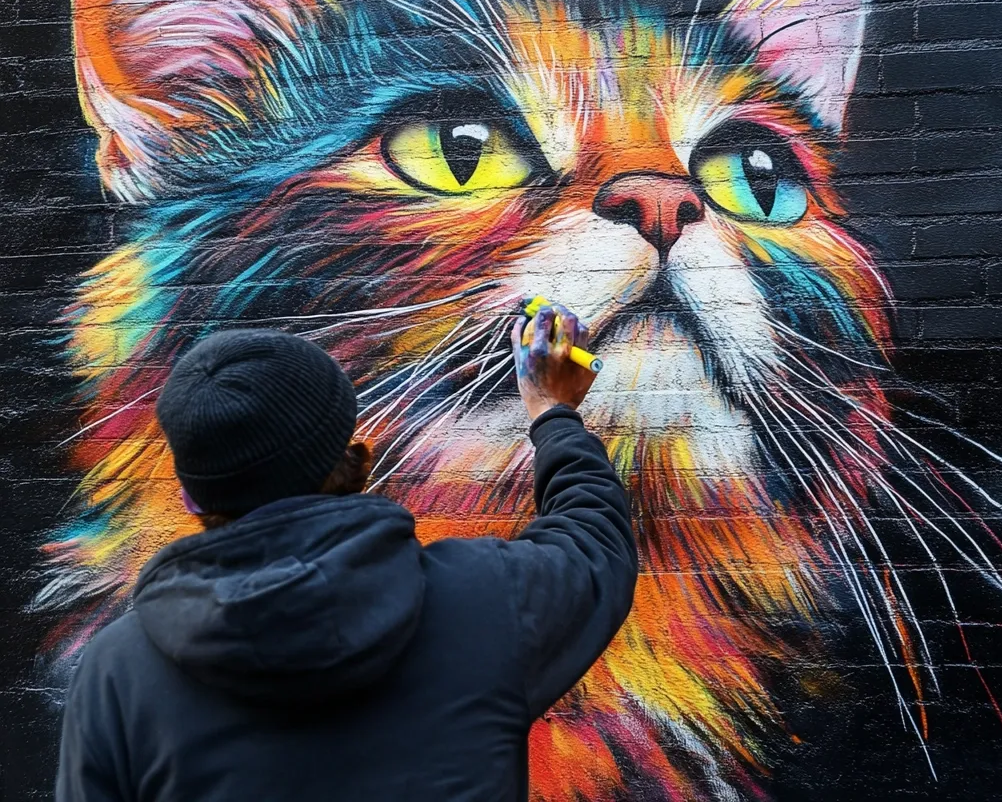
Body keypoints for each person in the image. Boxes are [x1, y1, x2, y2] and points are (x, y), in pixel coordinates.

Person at [55, 303, 638, 801]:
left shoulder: (119, 671)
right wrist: (550, 410)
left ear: (187, 494)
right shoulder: (482, 600)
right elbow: (595, 540)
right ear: (358, 458)